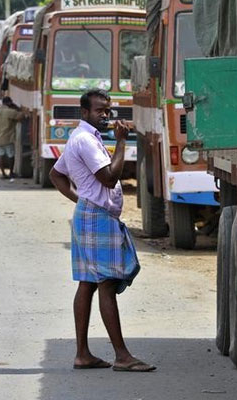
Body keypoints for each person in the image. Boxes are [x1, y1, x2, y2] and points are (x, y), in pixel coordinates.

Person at [49, 89, 156, 372]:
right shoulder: (85, 140)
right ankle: (122, 356)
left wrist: (82, 200)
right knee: (106, 283)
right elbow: (109, 178)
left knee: (87, 283)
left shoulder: (83, 138)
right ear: (85, 113)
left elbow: (56, 174)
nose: (106, 116)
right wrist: (122, 143)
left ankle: (83, 354)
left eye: (108, 111)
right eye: (99, 111)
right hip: (97, 218)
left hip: (90, 214)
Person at [0, 97, 26, 180]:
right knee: (11, 155)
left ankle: (3, 173)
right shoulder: (10, 112)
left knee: (0, 155)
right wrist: (17, 108)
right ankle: (11, 172)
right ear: (9, 103)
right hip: (8, 138)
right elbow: (21, 116)